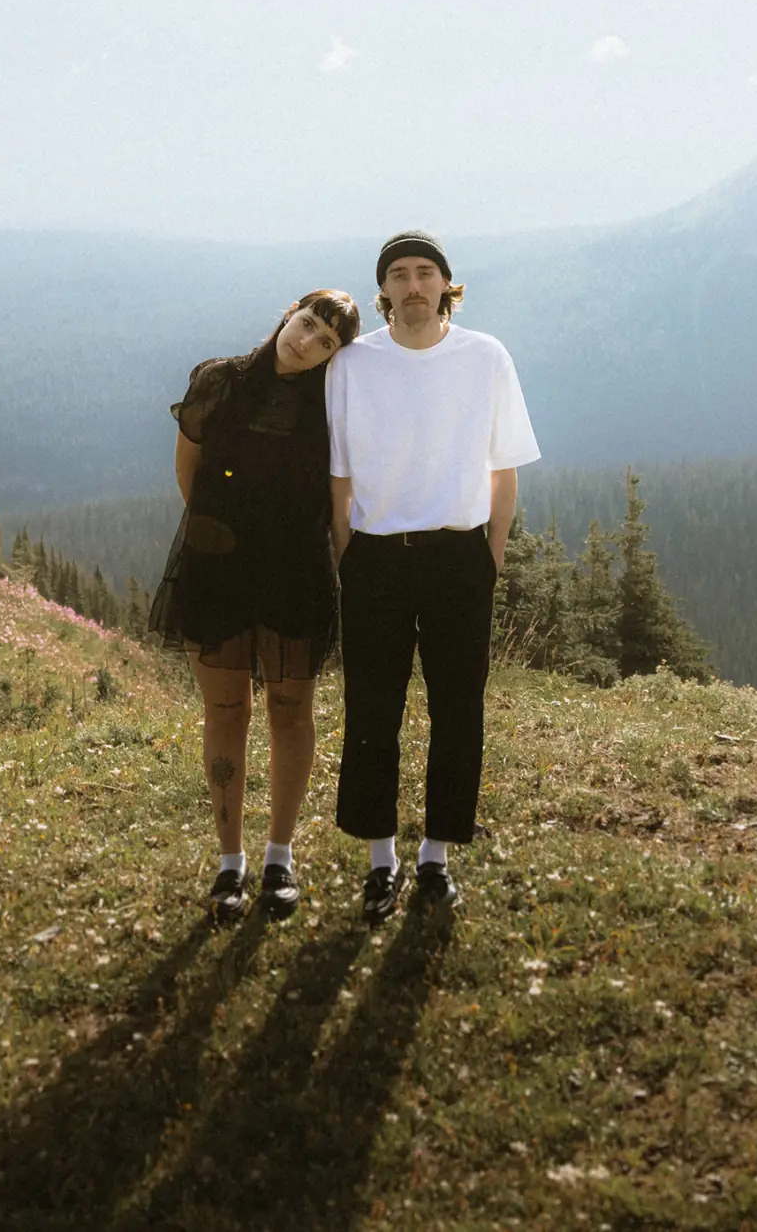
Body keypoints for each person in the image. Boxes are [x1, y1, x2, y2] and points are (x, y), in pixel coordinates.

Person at [326, 230, 539, 924]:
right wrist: (346, 555)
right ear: (382, 290)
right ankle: (380, 861)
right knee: (372, 709)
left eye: (426, 272)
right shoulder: (354, 363)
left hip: (458, 554)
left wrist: (490, 555)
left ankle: (436, 860)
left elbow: (504, 468)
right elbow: (339, 473)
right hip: (377, 557)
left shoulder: (485, 357)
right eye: (399, 274)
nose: (413, 285)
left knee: (458, 710)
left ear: (447, 284)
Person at [149, 287, 363, 923]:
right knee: (226, 710)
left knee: (290, 710)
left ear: (332, 356)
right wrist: (223, 533)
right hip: (218, 569)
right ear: (287, 316)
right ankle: (228, 865)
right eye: (305, 324)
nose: (306, 343)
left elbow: (338, 494)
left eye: (325, 342)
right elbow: (189, 472)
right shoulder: (219, 382)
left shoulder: (330, 406)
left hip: (298, 570)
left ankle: (280, 857)